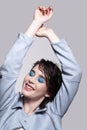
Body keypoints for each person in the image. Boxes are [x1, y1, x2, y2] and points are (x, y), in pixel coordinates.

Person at [0, 6, 82, 130]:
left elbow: (74, 72)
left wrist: (49, 33)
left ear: (48, 92)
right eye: (32, 73)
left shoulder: (53, 113)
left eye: (41, 80)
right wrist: (36, 24)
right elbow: (9, 67)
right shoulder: (7, 103)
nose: (31, 80)